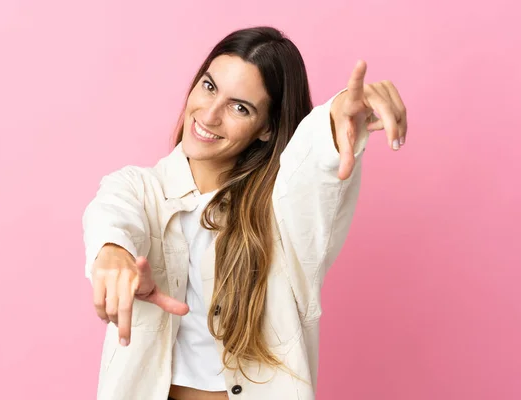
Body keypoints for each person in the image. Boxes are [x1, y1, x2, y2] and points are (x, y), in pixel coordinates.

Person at [82, 26, 408, 400]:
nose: (209, 114)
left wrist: (335, 120)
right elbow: (111, 213)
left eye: (240, 107)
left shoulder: (279, 214)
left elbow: (311, 178)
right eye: (208, 86)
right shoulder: (139, 188)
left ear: (267, 128)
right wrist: (112, 252)